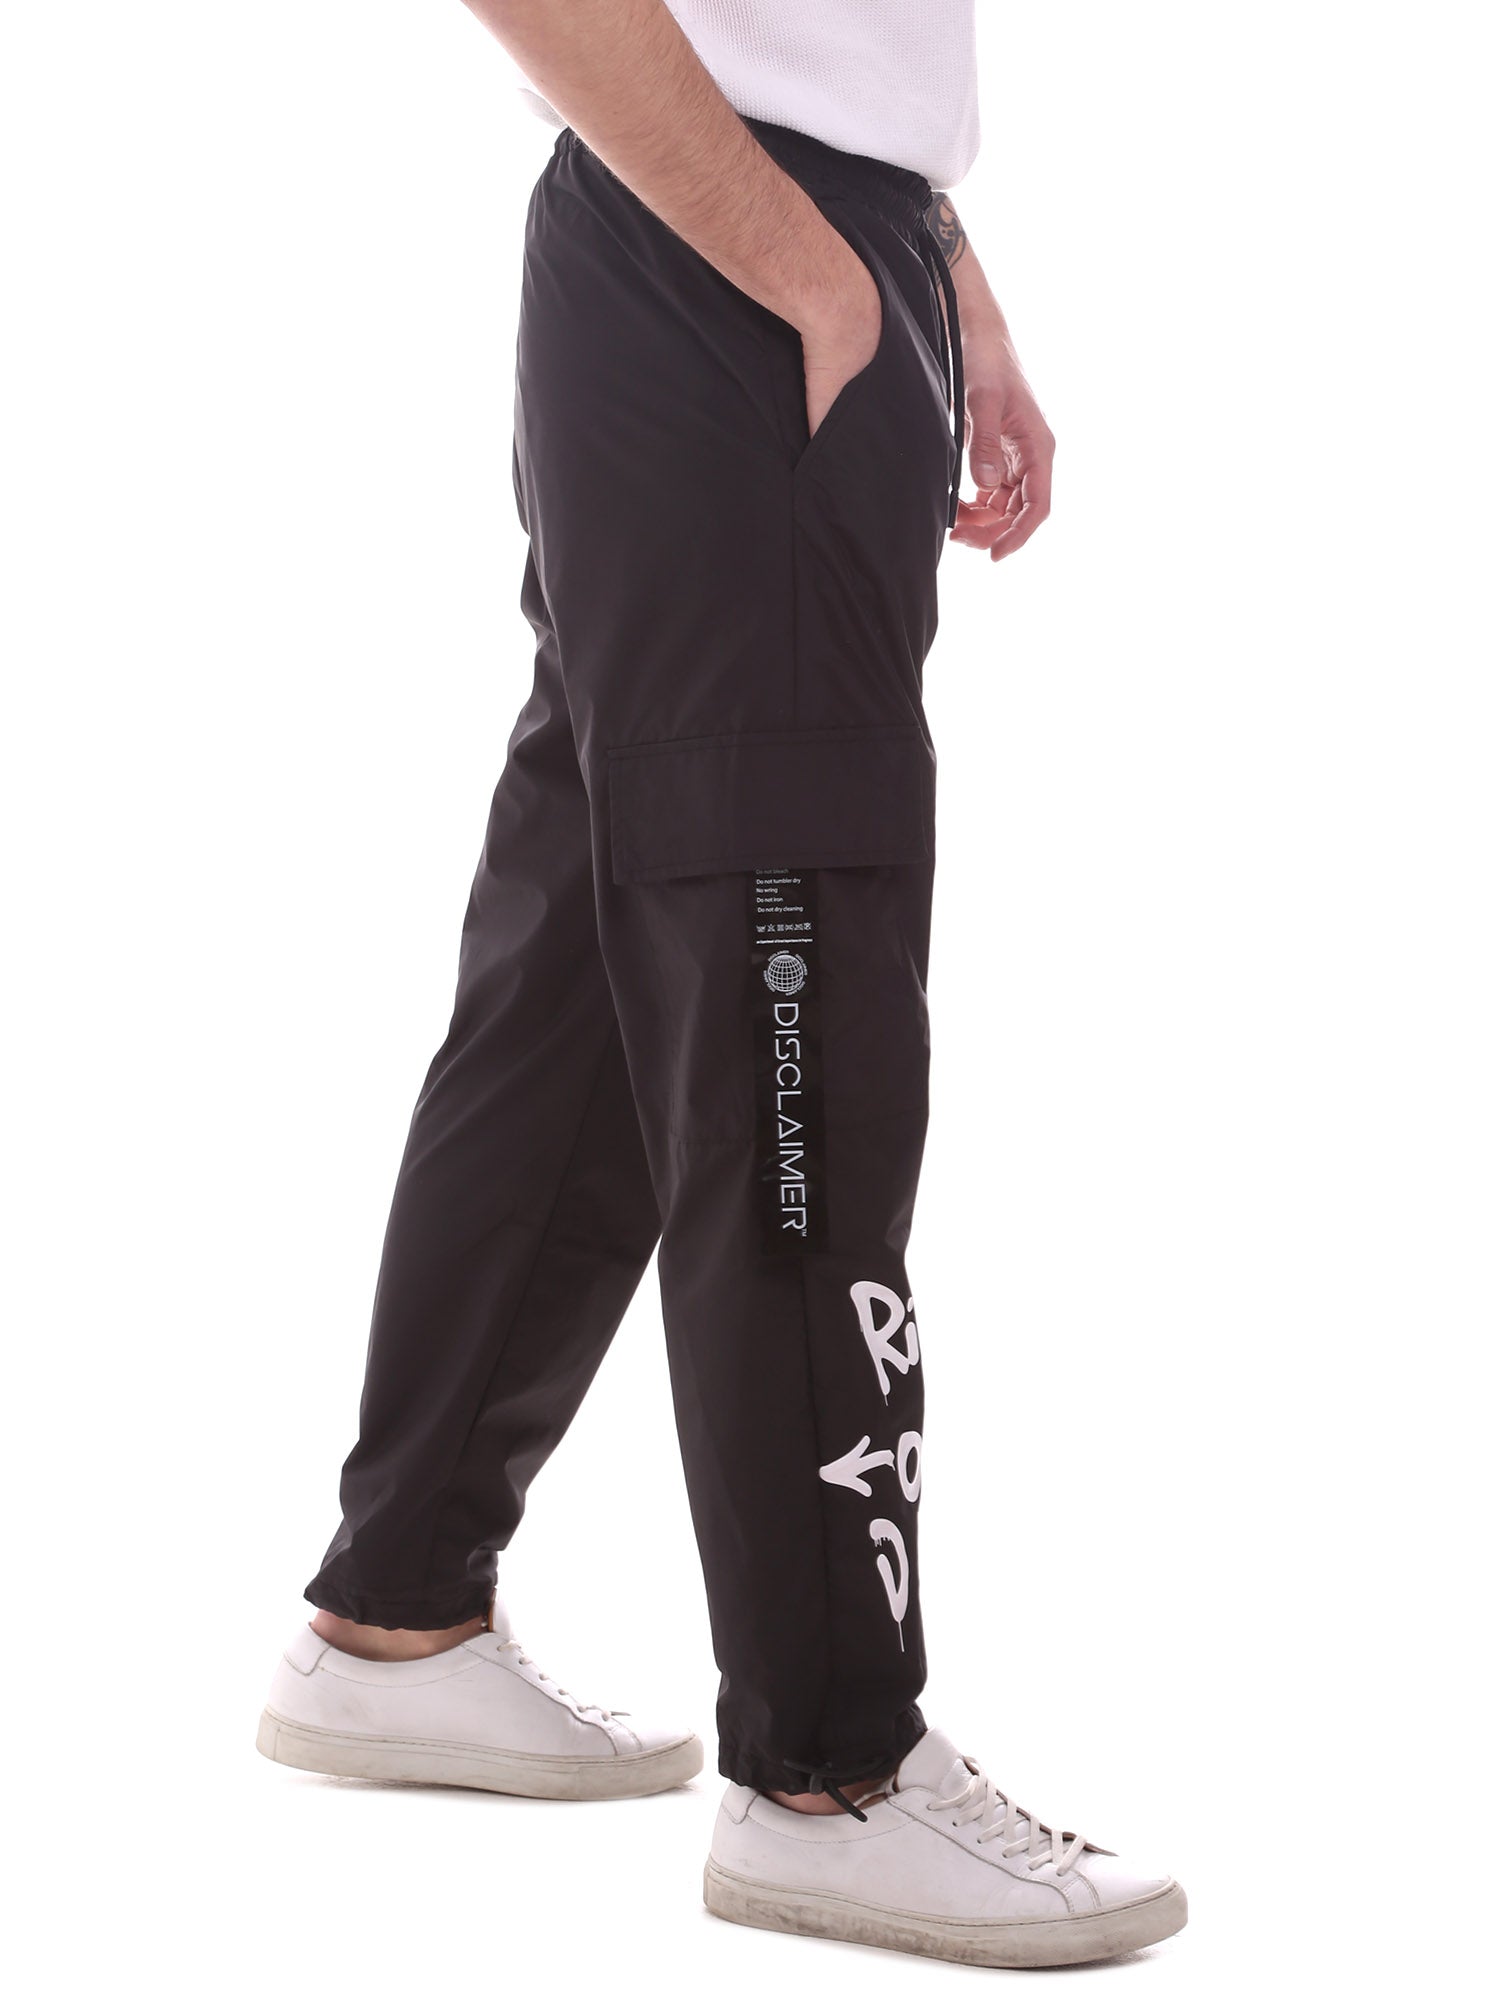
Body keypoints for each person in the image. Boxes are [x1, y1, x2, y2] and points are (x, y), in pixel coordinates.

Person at [257, 0, 1186, 1969]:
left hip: (764, 262)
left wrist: (938, 274)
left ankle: (399, 1605)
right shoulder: (780, 269)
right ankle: (830, 1768)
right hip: (734, 276)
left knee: (589, 986)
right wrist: (817, 280)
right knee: (795, 983)